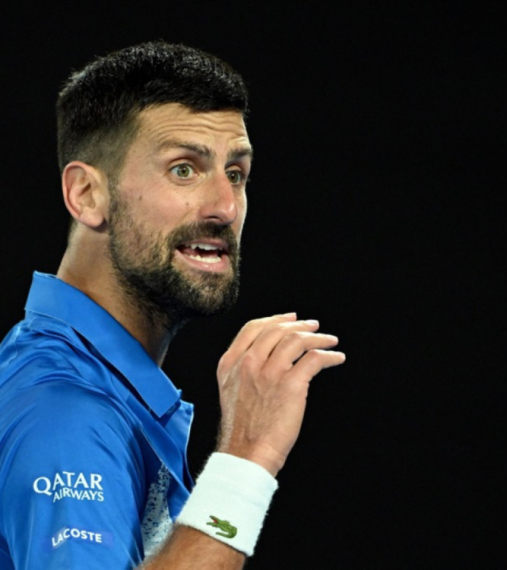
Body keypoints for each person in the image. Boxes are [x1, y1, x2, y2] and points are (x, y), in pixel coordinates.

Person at [0, 41, 345, 569]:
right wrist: (246, 457)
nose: (225, 207)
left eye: (236, 173)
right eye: (184, 169)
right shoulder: (67, 415)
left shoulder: (90, 383)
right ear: (87, 194)